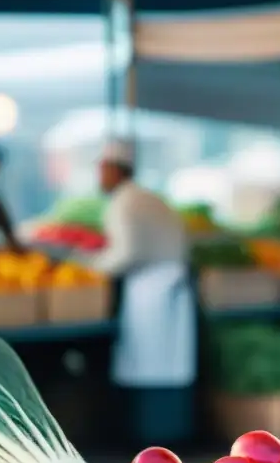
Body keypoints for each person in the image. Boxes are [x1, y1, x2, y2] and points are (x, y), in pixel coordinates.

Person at [81, 140, 196, 443]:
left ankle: (153, 435)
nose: (99, 177)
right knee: (166, 364)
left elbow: (127, 252)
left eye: (102, 169)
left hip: (152, 293)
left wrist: (90, 267)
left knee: (153, 365)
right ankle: (166, 432)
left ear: (115, 170)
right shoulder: (149, 198)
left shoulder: (125, 202)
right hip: (170, 290)